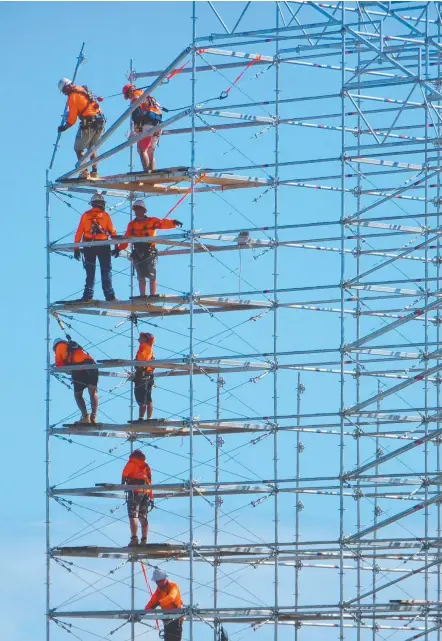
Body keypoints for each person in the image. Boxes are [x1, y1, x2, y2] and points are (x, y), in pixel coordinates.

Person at [118, 199, 182, 297]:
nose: (137, 211)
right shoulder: (132, 225)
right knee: (141, 276)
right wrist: (119, 248)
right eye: (136, 209)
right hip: (137, 252)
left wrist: (173, 222)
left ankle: (152, 295)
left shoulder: (151, 221)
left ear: (144, 211)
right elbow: (127, 238)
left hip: (149, 251)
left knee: (151, 275)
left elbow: (162, 223)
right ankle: (142, 296)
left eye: (139, 209)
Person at [57, 78, 105, 179]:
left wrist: (64, 127)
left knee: (78, 148)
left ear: (66, 88)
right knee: (92, 148)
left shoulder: (72, 97)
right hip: (100, 121)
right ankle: (94, 172)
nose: (65, 94)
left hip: (89, 124)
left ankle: (84, 172)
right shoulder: (83, 89)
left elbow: (72, 119)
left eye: (64, 91)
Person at [75, 192, 118, 301]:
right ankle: (109, 295)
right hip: (103, 245)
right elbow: (112, 232)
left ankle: (88, 295)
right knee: (106, 270)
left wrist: (76, 248)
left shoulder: (86, 215)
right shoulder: (105, 216)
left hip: (88, 245)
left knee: (90, 271)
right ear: (102, 204)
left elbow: (79, 232)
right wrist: (117, 246)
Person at [53, 338, 99, 425]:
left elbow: (60, 366)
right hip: (91, 364)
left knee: (78, 395)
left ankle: (85, 417)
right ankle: (93, 417)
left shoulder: (59, 346)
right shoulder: (72, 346)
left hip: (78, 368)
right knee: (92, 392)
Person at [122, 83, 162, 172]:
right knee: (150, 151)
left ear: (129, 92)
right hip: (158, 124)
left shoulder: (135, 97)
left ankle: (147, 173)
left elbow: (136, 114)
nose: (129, 98)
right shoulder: (147, 96)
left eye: (127, 95)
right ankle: (153, 175)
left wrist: (138, 127)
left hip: (147, 124)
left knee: (142, 150)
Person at [121, 449, 153, 547]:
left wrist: (123, 484)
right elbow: (149, 481)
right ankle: (144, 540)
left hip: (135, 491)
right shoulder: (146, 466)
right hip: (146, 492)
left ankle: (134, 539)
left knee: (133, 516)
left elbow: (124, 474)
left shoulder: (131, 463)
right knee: (143, 516)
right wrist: (151, 497)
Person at [145, 568, 183, 641]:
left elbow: (171, 597)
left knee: (175, 637)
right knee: (168, 638)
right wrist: (143, 613)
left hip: (176, 615)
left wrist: (159, 602)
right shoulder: (158, 592)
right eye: (158, 582)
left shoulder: (173, 586)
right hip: (166, 618)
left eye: (161, 581)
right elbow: (151, 603)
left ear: (165, 579)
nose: (159, 583)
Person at [133, 332, 155, 421]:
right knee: (148, 398)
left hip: (142, 375)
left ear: (146, 339)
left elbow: (142, 359)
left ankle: (141, 418)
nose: (139, 338)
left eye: (141, 337)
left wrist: (137, 364)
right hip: (149, 375)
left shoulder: (144, 346)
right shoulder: (149, 348)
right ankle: (148, 418)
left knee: (140, 397)